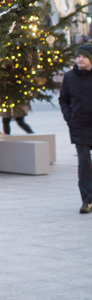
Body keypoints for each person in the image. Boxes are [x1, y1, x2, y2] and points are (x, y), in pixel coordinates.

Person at [59, 45, 92, 213]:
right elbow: (63, 99)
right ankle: (87, 200)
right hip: (79, 125)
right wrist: (69, 117)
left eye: (84, 57)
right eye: (78, 56)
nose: (80, 59)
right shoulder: (70, 77)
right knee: (84, 162)